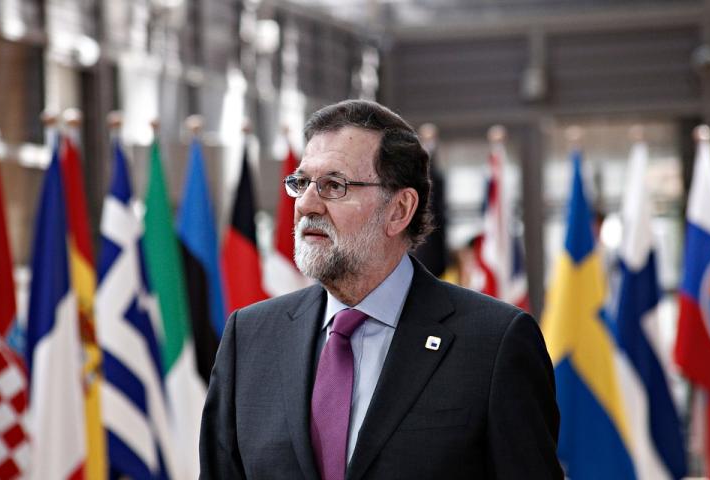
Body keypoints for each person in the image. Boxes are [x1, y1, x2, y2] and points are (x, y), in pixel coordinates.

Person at [199, 99, 561, 479]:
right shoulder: (249, 337)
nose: (306, 204)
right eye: (301, 183)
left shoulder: (494, 343)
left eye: (333, 185)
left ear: (399, 210)